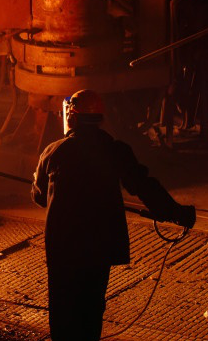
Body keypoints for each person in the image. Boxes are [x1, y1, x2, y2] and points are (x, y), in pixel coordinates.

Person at [31, 89, 196, 341]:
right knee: (91, 306)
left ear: (71, 117)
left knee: (63, 308)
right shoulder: (115, 150)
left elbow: (39, 197)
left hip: (63, 247)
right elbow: (144, 186)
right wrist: (176, 213)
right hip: (99, 246)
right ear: (100, 118)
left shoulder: (53, 152)